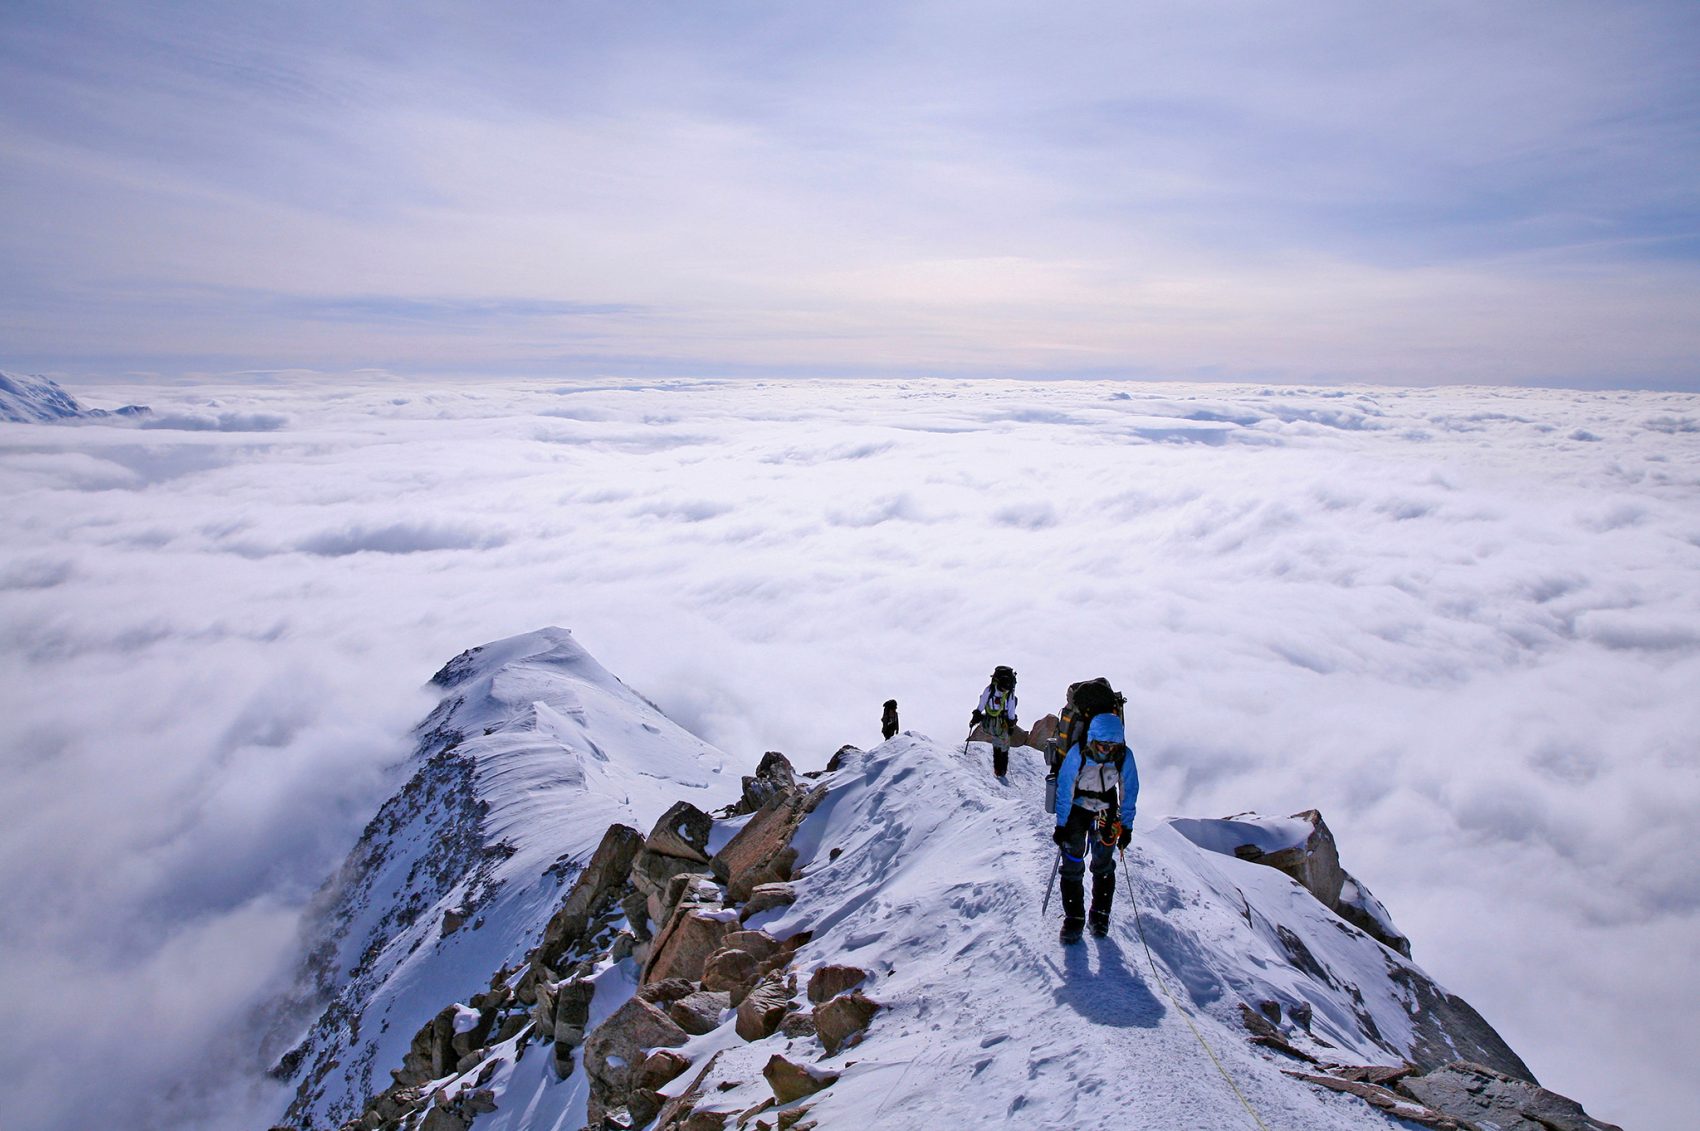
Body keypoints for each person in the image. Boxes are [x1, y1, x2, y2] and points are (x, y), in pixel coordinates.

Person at [1051, 713, 1139, 944]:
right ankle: (1075, 919)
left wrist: (1126, 826)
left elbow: (1130, 790)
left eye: (1112, 746)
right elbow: (1065, 787)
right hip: (1078, 808)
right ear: (1093, 739)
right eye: (1103, 745)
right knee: (1072, 864)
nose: (1107, 751)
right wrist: (1061, 824)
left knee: (1103, 865)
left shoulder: (1123, 756)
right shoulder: (1078, 753)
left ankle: (1099, 917)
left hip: (1107, 810)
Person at [970, 665, 1018, 778]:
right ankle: (1001, 770)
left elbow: (982, 704)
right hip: (1003, 721)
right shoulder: (1008, 693)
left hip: (992, 720)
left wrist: (976, 717)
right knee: (1003, 744)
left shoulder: (990, 690)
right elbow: (1011, 710)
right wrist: (1011, 725)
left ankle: (998, 770)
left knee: (997, 744)